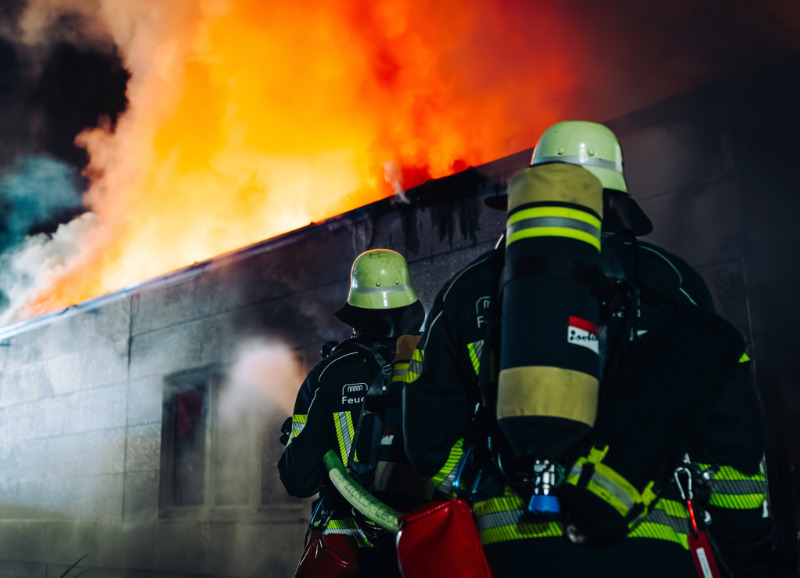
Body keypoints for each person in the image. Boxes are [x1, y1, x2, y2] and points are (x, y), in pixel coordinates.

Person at [402, 121, 774, 577]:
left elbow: (429, 433)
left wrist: (483, 484)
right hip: (645, 540)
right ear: (615, 197)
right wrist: (748, 548)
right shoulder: (668, 280)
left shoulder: (467, 289)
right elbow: (729, 428)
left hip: (507, 547)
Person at [278, 248, 430, 578]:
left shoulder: (332, 372)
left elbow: (299, 478)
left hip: (350, 547)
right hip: (423, 543)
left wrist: (295, 440)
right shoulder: (436, 360)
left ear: (356, 311)